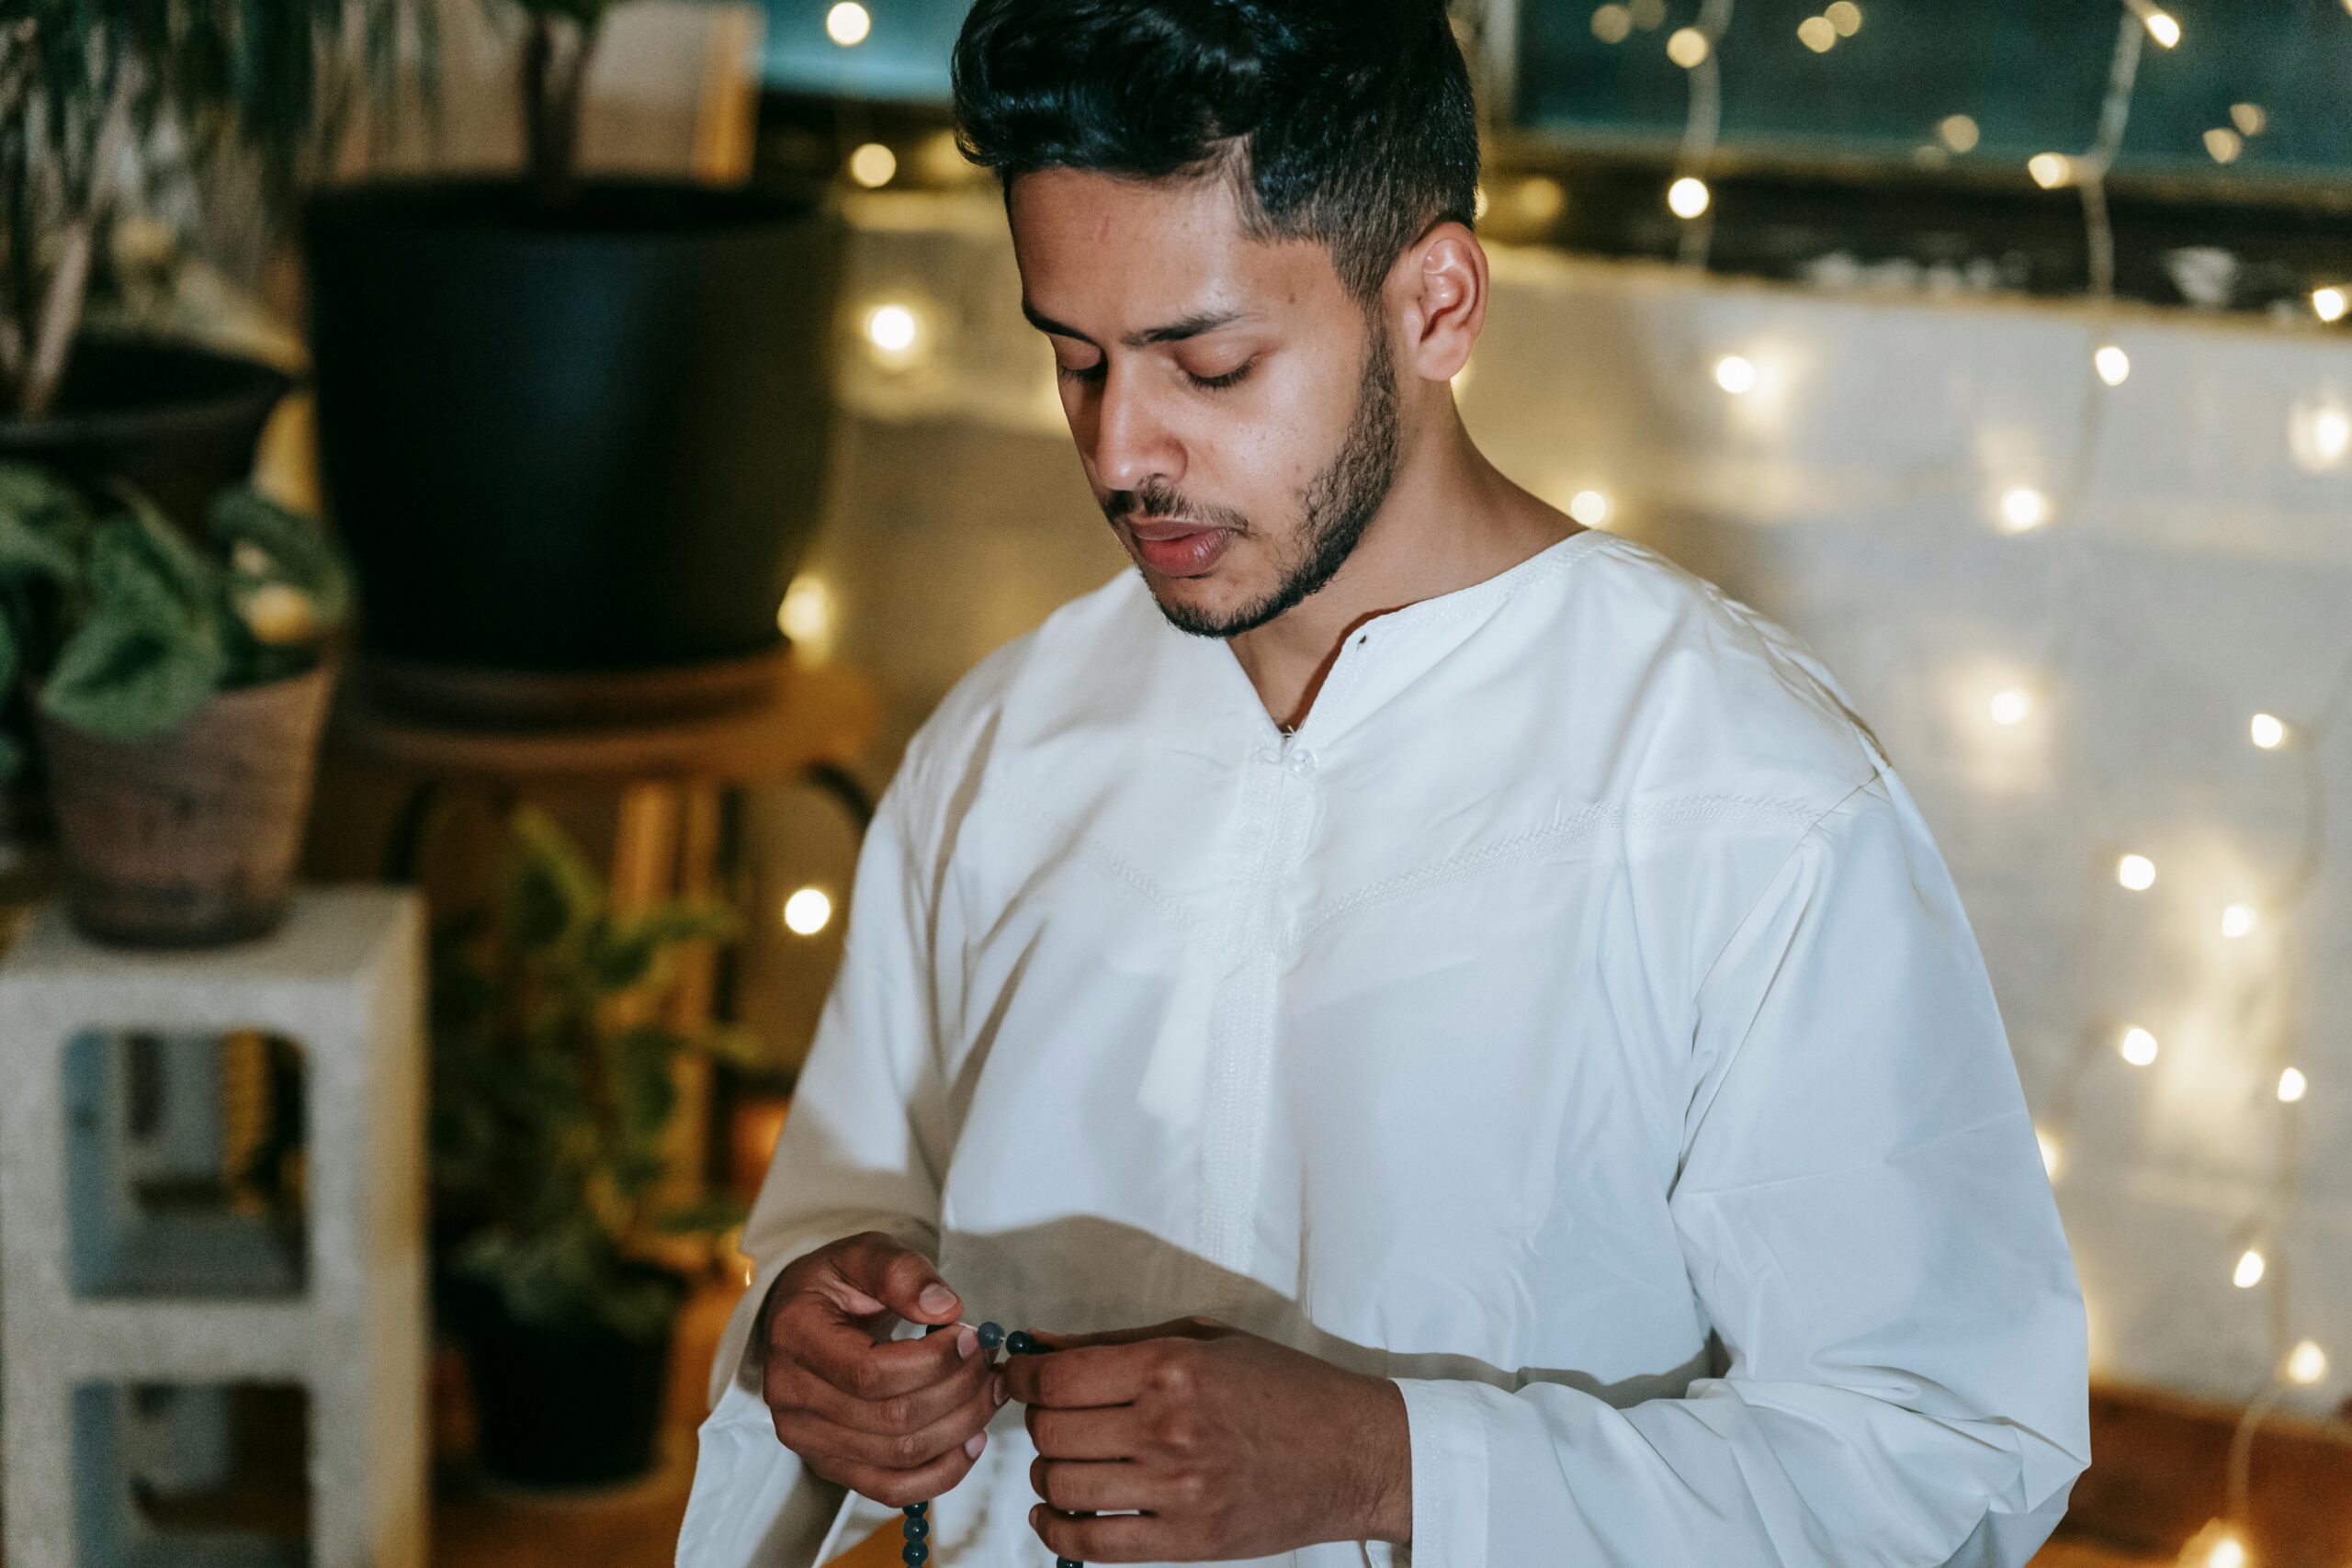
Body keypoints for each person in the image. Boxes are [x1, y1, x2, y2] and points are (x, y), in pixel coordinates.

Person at [676, 0, 2089, 1562]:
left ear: (1436, 303)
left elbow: (1939, 1454)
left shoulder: (1748, 803)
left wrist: (1393, 1464)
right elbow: (838, 1224)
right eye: (1074, 361)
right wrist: (816, 1344)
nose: (1122, 450)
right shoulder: (1005, 744)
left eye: (1206, 366)